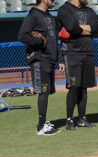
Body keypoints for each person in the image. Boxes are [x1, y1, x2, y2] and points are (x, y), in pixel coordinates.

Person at [18, 0, 63, 135]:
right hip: (39, 59)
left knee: (47, 92)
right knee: (43, 92)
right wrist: (38, 42)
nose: (53, 1)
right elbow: (22, 36)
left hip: (50, 59)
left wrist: (59, 59)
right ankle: (41, 127)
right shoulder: (33, 15)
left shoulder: (49, 16)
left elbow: (54, 40)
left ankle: (44, 122)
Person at [57, 0, 98, 130]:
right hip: (72, 53)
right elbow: (72, 28)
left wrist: (83, 28)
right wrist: (88, 29)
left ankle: (82, 118)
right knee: (74, 86)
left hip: (88, 52)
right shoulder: (64, 9)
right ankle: (69, 119)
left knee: (84, 87)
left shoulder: (89, 10)